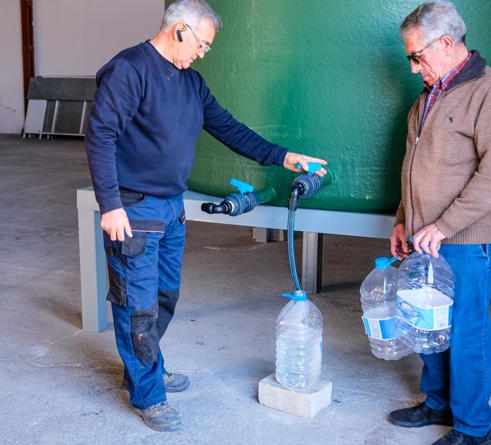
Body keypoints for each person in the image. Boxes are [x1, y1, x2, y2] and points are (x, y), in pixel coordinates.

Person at [84, 0, 327, 432]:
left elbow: (229, 128)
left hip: (171, 208)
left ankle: (145, 369)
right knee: (136, 305)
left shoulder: (191, 83)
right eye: (202, 44)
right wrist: (111, 205)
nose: (203, 53)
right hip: (133, 208)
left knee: (163, 298)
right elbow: (100, 135)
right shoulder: (129, 70)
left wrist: (284, 157)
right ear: (180, 30)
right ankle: (149, 394)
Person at [388, 2, 491, 444]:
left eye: (417, 56)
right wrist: (403, 220)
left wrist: (443, 227)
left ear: (446, 43)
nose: (413, 68)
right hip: (423, 236)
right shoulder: (428, 96)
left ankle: (475, 429)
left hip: (464, 239)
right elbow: (413, 165)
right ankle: (438, 403)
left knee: (466, 329)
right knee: (430, 324)